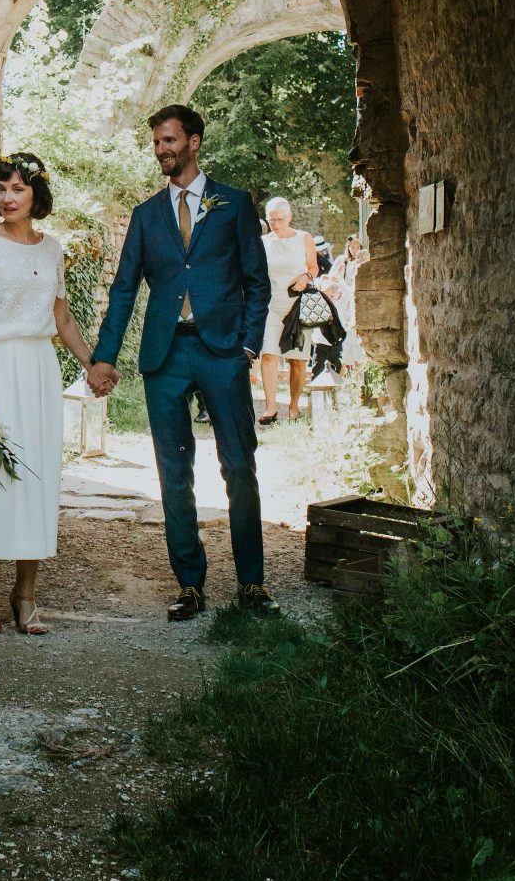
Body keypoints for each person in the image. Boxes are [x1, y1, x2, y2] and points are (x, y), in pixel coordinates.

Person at [86, 105, 278, 621]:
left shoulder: (234, 204)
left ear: (194, 141)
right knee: (174, 472)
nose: (161, 151)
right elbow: (125, 288)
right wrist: (104, 356)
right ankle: (190, 585)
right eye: (156, 144)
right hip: (165, 354)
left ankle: (252, 584)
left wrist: (247, 348)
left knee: (239, 467)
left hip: (222, 353)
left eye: (169, 141)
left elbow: (257, 283)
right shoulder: (148, 215)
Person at [0, 150, 99, 637]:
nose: (7, 197)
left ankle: (27, 594)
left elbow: (62, 319)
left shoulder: (52, 249)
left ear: (37, 194)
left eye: (17, 188)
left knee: (35, 477)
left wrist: (91, 364)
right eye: (1, 188)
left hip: (37, 371)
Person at [259, 196, 320, 424]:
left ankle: (293, 407)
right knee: (268, 355)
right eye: (271, 220)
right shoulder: (264, 242)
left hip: (297, 305)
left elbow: (314, 267)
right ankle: (270, 408)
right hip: (271, 304)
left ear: (290, 217)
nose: (275, 224)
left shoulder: (304, 238)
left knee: (298, 360)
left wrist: (306, 276)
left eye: (280, 219)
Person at [328, 232, 366, 371]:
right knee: (344, 333)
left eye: (357, 247)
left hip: (355, 299)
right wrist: (338, 273)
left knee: (354, 335)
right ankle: (343, 367)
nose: (355, 250)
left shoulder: (362, 261)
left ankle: (356, 368)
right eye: (352, 247)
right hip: (343, 301)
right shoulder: (342, 260)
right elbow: (331, 278)